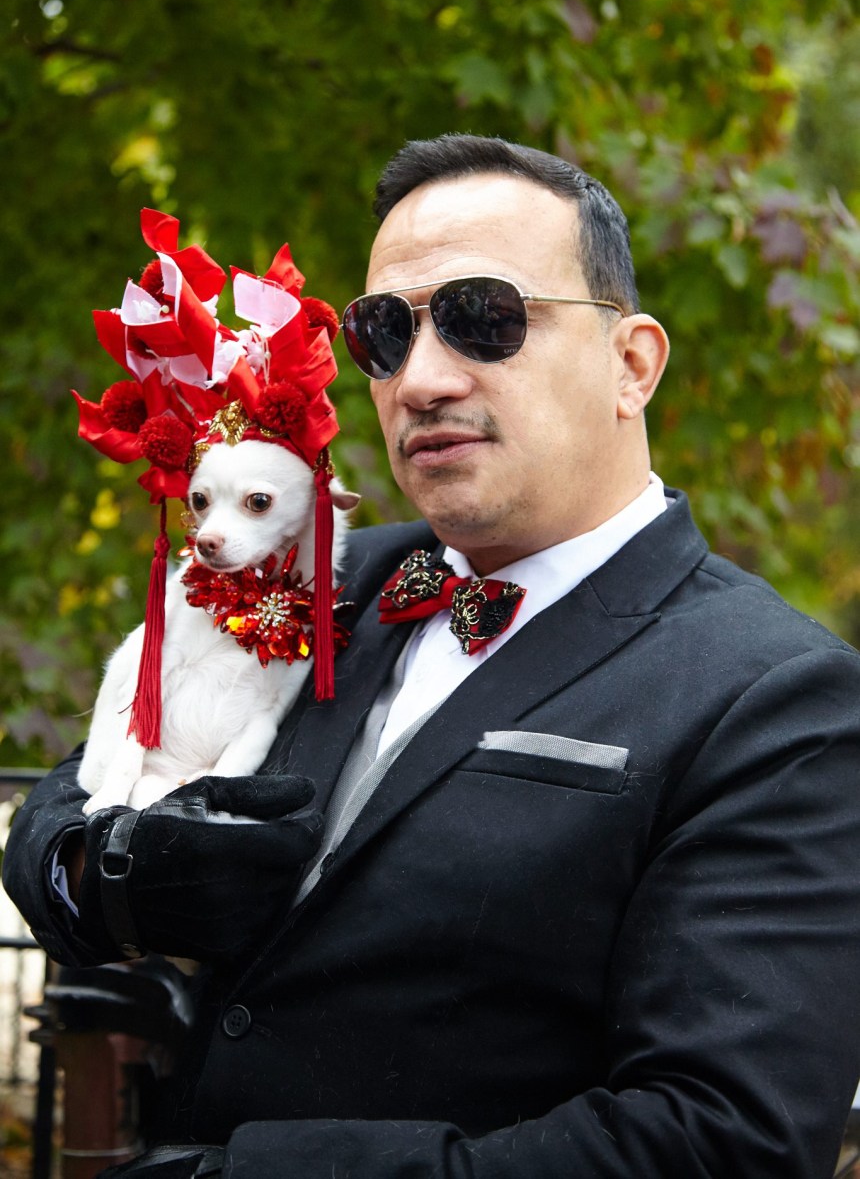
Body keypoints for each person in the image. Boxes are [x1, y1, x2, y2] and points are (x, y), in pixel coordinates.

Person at [5, 133, 860, 1179]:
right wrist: (110, 869)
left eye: (483, 318)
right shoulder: (328, 575)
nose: (419, 379)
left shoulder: (774, 696)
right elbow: (91, 769)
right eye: (380, 334)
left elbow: (719, 1140)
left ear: (629, 364)